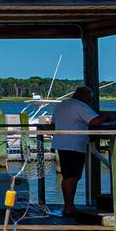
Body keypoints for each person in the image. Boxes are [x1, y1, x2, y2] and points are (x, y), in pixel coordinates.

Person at [43, 86, 102, 217]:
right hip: (74, 145)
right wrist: (106, 116)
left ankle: (68, 206)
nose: (89, 101)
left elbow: (53, 124)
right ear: (83, 95)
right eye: (89, 98)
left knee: (68, 177)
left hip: (61, 144)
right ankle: (69, 208)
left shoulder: (61, 105)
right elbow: (95, 121)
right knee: (72, 178)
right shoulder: (80, 106)